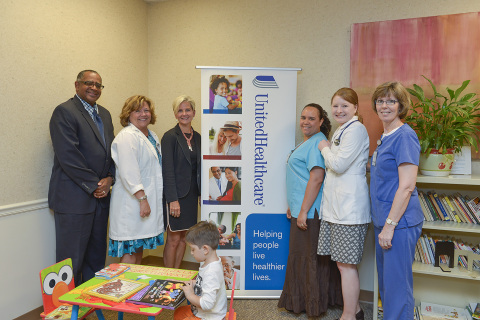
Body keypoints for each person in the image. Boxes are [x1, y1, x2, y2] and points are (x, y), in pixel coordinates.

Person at [49, 70, 114, 285]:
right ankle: (66, 312)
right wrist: (96, 184)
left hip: (100, 200)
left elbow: (111, 152)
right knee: (70, 262)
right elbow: (68, 156)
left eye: (98, 85)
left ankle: (90, 307)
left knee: (96, 259)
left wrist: (110, 178)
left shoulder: (104, 114)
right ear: (77, 85)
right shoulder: (64, 112)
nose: (94, 88)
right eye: (89, 83)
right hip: (74, 200)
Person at [278, 103, 341, 317]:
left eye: (311, 118)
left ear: (321, 121)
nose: (306, 121)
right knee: (306, 256)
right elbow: (301, 178)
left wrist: (303, 210)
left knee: (306, 257)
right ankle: (315, 300)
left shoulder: (317, 143)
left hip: (311, 212)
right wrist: (294, 205)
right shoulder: (306, 142)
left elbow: (316, 178)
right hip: (301, 207)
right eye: (303, 117)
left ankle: (310, 304)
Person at [370, 81, 423, 320]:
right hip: (385, 221)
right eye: (380, 101)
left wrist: (390, 226)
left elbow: (407, 185)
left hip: (398, 224)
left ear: (401, 106)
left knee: (398, 289)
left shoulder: (405, 136)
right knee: (388, 287)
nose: (385, 105)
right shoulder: (386, 136)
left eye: (391, 101)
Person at [317, 88, 370, 320]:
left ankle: (349, 316)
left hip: (349, 211)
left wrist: (324, 147)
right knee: (342, 265)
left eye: (345, 106)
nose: (339, 110)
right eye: (336, 105)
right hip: (337, 209)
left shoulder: (356, 130)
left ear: (356, 108)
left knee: (346, 266)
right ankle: (355, 310)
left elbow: (337, 165)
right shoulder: (343, 129)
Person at [108, 95, 165, 265]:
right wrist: (142, 199)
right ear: (128, 114)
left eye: (146, 110)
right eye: (137, 110)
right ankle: (124, 287)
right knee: (130, 249)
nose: (143, 114)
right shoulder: (127, 136)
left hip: (145, 200)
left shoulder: (152, 135)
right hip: (131, 203)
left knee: (139, 248)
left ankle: (134, 289)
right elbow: (129, 172)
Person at [162, 95, 201, 269]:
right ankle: (166, 278)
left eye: (187, 110)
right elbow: (167, 170)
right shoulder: (170, 137)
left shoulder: (198, 137)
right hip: (176, 196)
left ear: (193, 112)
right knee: (173, 238)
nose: (184, 113)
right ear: (175, 114)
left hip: (192, 196)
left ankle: (176, 276)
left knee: (185, 238)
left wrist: (201, 194)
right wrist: (172, 200)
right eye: (180, 110)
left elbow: (200, 169)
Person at [174, 221, 227, 320]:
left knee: (179, 316)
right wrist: (193, 283)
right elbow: (205, 282)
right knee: (179, 312)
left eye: (193, 249)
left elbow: (207, 304)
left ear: (205, 249)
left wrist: (190, 294)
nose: (192, 253)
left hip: (210, 317)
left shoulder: (211, 272)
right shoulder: (212, 262)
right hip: (205, 313)